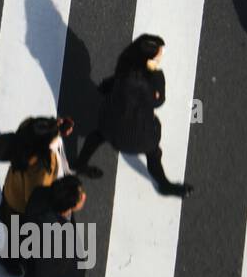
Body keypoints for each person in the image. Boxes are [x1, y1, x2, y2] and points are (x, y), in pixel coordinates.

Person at [73, 34, 193, 196]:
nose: (160, 58)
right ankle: (164, 184)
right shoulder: (150, 82)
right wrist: (155, 72)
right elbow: (159, 101)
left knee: (97, 135)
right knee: (153, 154)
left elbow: (106, 87)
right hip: (141, 139)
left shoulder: (123, 72)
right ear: (148, 60)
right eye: (159, 55)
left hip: (111, 129)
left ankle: (81, 163)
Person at [0, 116, 74, 276]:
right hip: (20, 208)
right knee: (18, 237)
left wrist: (56, 129)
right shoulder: (40, 171)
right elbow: (34, 202)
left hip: (11, 191)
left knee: (12, 230)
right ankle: (10, 260)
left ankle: (10, 256)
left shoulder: (25, 134)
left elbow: (37, 130)